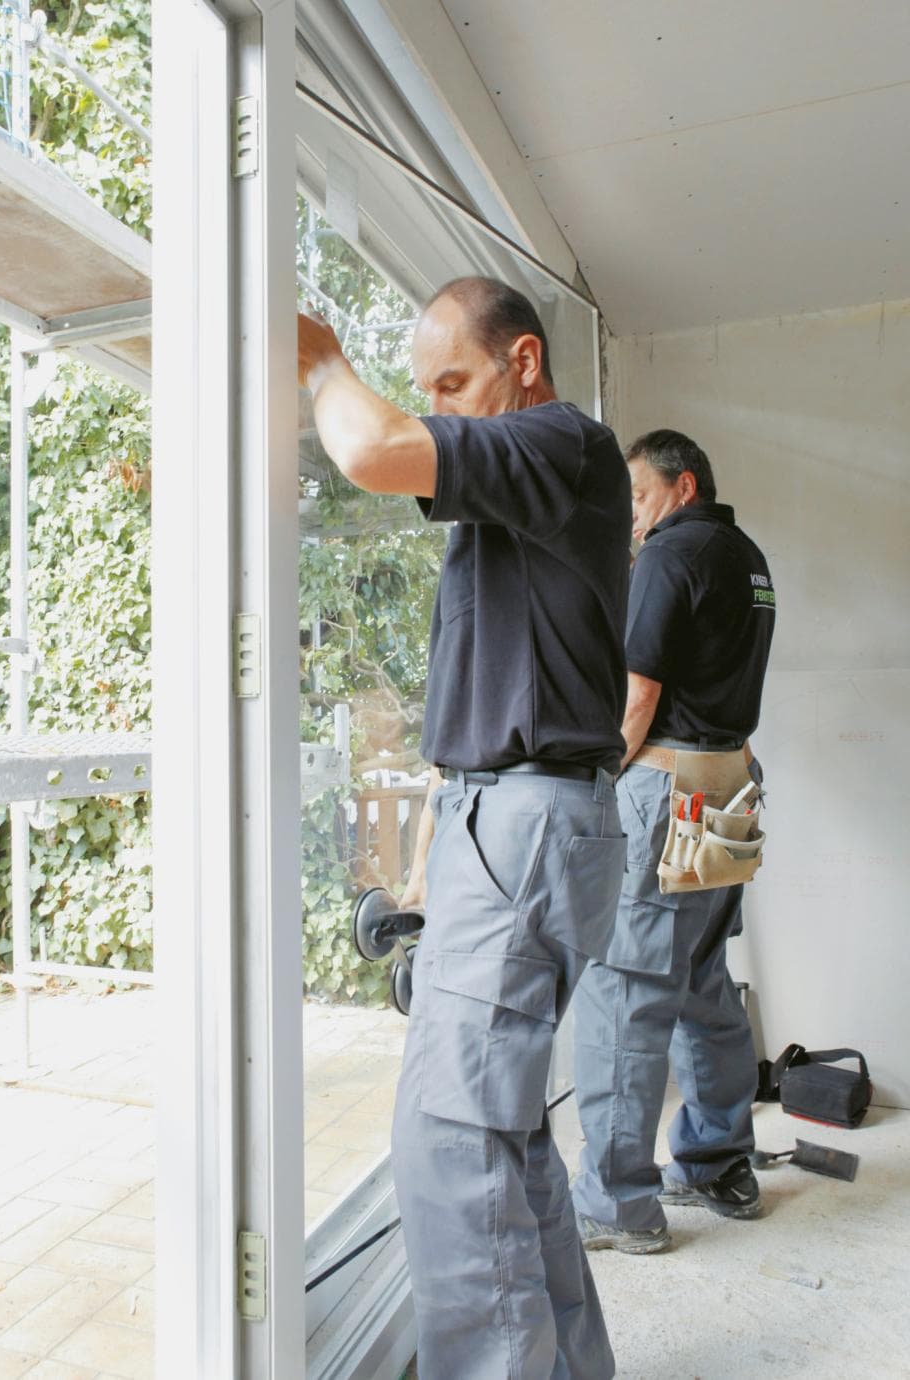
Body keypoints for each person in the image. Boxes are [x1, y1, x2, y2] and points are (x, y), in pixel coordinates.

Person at [298, 276, 631, 1379]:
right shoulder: (523, 494)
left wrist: (314, 361)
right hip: (514, 816)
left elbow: (373, 449)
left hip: (528, 817)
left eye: (453, 380)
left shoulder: (556, 442)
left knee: (447, 1145)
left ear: (523, 363)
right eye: (423, 387)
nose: (436, 404)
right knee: (503, 1141)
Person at [571, 428, 776, 1256]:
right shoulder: (750, 557)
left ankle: (618, 1204)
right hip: (731, 781)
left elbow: (640, 688)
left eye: (642, 500)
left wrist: (600, 779)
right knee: (701, 980)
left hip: (667, 785)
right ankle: (719, 1162)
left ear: (682, 486)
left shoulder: (667, 553)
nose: (633, 520)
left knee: (625, 992)